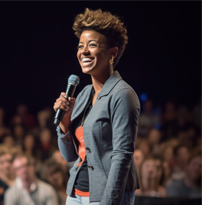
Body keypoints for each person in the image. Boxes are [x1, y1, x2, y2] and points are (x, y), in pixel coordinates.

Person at [53, 8, 140, 204]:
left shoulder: (122, 94)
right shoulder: (83, 94)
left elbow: (122, 157)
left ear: (113, 53)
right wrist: (64, 125)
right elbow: (69, 156)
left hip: (104, 197)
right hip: (75, 194)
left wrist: (109, 202)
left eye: (92, 45)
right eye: (80, 45)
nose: (83, 51)